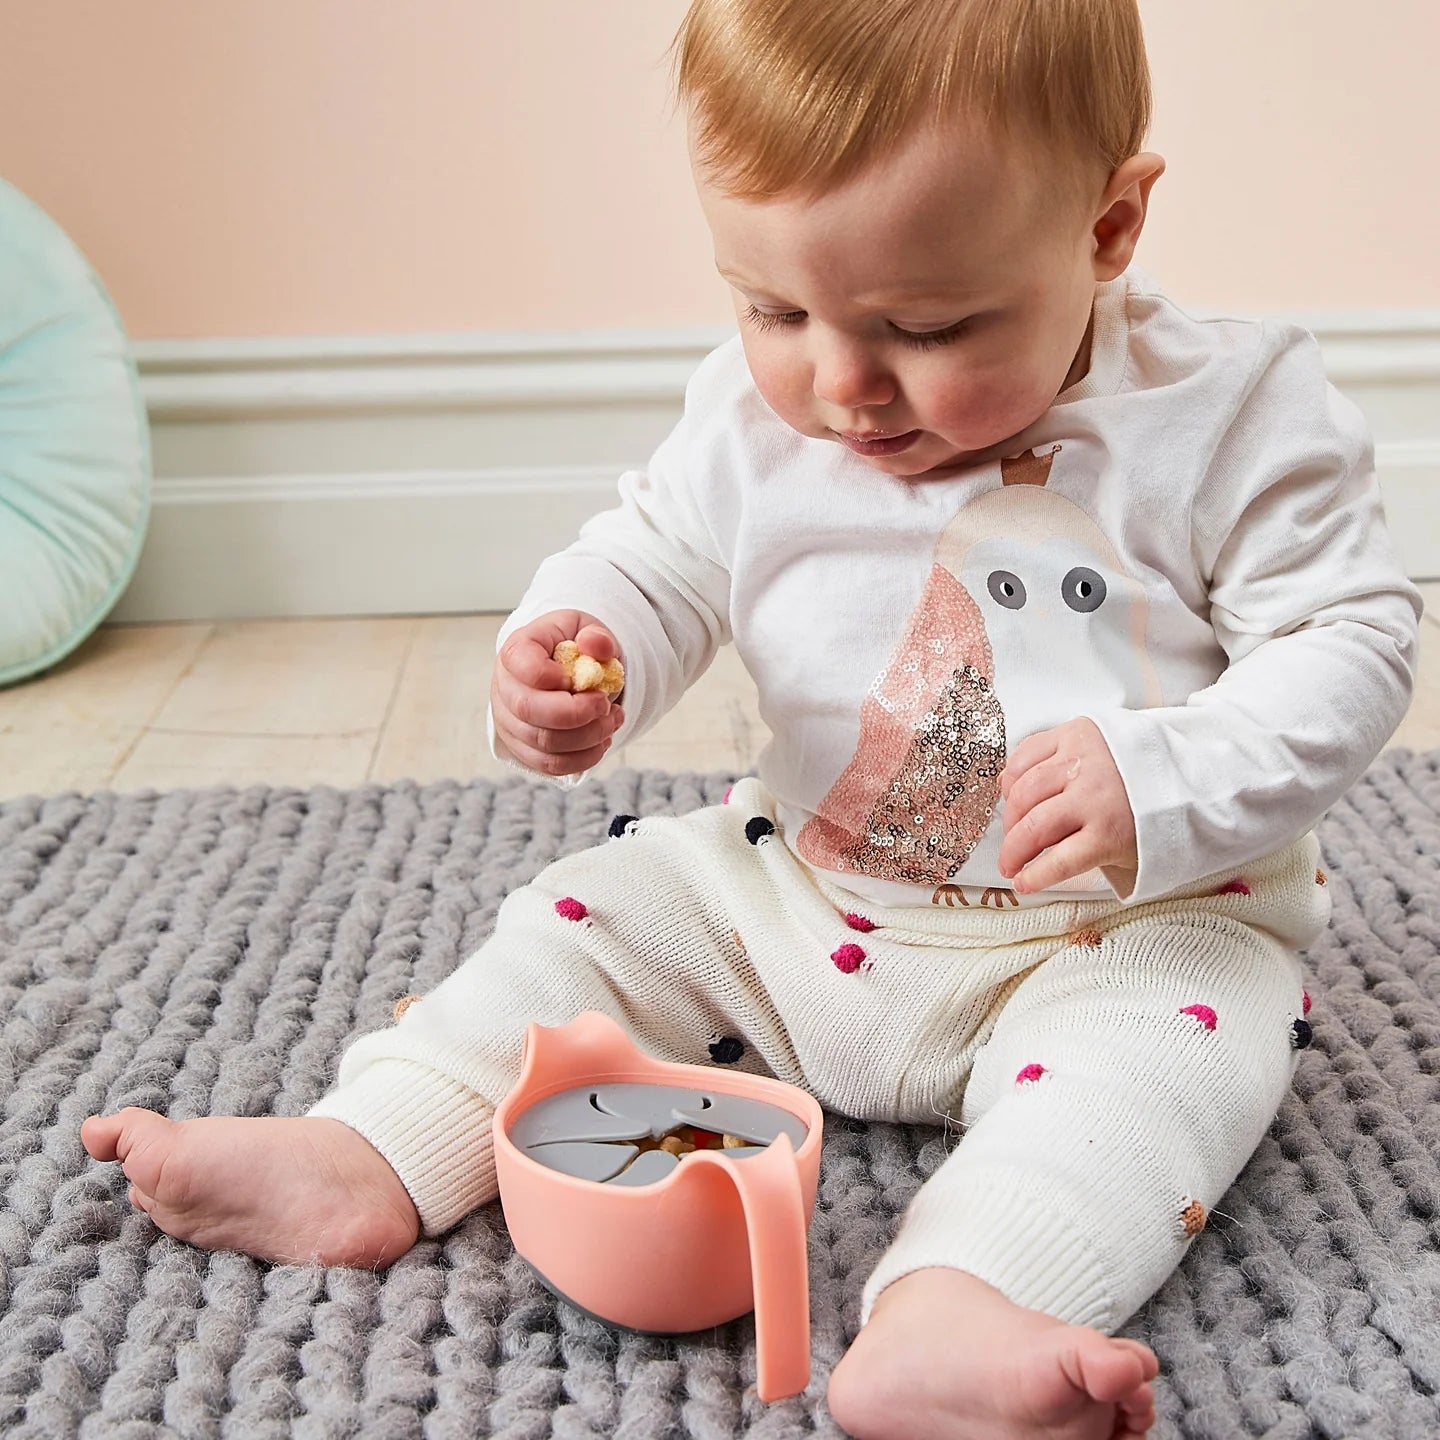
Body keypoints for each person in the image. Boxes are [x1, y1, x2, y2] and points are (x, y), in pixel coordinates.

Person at [82, 1, 1422, 1435]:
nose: (840, 385)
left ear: (1106, 227)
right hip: (798, 905)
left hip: (1123, 921)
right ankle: (375, 1145)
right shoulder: (750, 414)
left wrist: (1167, 773)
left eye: (927, 325)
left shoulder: (1229, 412)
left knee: (1167, 1068)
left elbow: (1349, 640)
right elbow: (659, 555)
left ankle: (960, 1304)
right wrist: (578, 639)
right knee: (594, 911)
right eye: (773, 309)